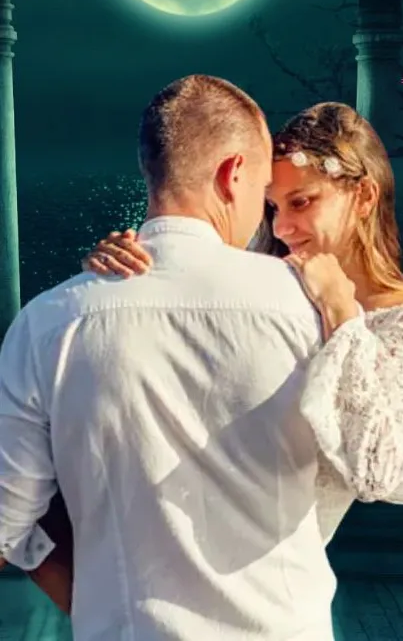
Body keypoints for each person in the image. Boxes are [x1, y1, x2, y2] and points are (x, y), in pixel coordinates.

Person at [0, 75, 339, 641]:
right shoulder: (314, 305)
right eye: (263, 195)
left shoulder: (48, 321)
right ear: (233, 175)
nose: (270, 224)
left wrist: (96, 600)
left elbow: (9, 524)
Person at [85, 100, 403, 543]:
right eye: (272, 207)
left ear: (364, 196)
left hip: (272, 580)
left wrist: (342, 314)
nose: (283, 227)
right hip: (150, 534)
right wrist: (126, 270)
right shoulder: (262, 284)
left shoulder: (392, 324)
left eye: (301, 202)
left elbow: (382, 472)